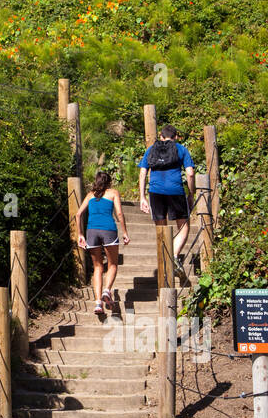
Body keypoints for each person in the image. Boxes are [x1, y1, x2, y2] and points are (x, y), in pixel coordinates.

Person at [138, 124, 196, 270]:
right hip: (176, 191)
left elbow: (143, 173)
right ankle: (174, 255)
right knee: (183, 226)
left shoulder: (151, 149)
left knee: (161, 227)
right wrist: (191, 194)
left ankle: (165, 258)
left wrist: (142, 197)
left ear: (161, 136)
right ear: (176, 137)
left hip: (155, 192)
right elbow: (190, 173)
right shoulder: (181, 149)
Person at [76, 171, 131, 318]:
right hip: (108, 230)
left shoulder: (90, 195)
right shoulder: (113, 193)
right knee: (112, 264)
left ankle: (98, 302)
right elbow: (119, 213)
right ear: (109, 182)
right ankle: (107, 290)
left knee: (98, 267)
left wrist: (80, 234)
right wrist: (125, 232)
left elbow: (78, 214)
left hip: (91, 231)